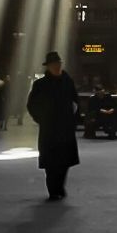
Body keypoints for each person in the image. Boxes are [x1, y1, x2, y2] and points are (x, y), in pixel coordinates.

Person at [26, 51, 80, 201]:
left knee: (65, 160)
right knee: (51, 162)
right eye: (54, 65)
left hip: (66, 127)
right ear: (48, 67)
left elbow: (75, 100)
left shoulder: (67, 81)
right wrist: (41, 119)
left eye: (59, 64)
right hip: (49, 129)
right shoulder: (40, 85)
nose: (57, 67)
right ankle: (53, 190)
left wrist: (73, 117)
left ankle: (60, 186)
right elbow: (31, 105)